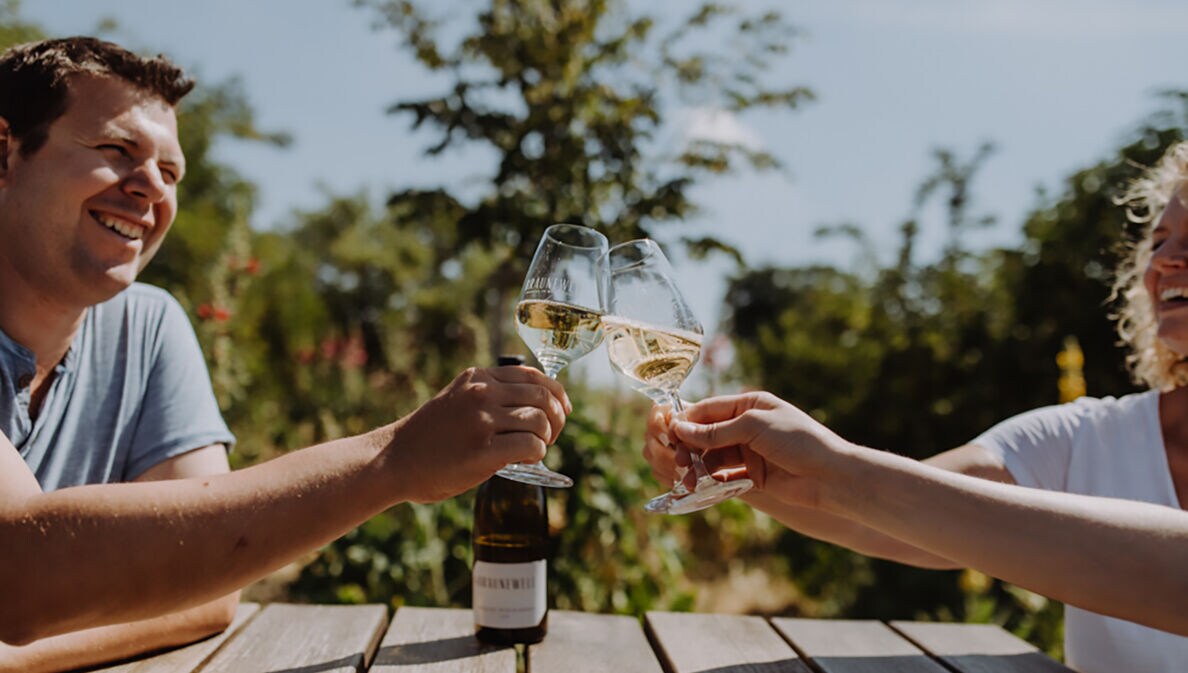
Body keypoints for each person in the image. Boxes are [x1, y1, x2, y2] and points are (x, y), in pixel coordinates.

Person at [0, 36, 570, 672]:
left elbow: (211, 590)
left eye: (171, 173)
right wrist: (393, 460)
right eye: (116, 150)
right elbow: (18, 567)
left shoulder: (148, 323)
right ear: (4, 152)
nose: (150, 190)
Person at [643, 142, 1188, 672]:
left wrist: (839, 470)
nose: (1163, 261)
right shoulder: (1088, 436)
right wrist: (748, 471)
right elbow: (908, 521)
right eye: (1158, 241)